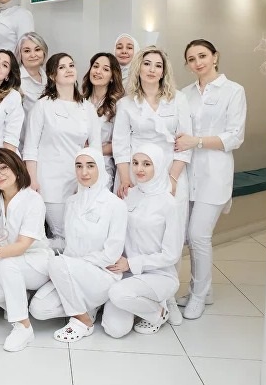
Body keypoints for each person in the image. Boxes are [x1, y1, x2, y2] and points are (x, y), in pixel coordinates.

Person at [112, 46, 191, 325]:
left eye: (158, 65)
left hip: (170, 172)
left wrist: (172, 179)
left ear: (164, 71)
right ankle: (138, 291)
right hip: (136, 172)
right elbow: (120, 145)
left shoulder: (178, 99)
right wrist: (125, 178)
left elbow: (184, 143)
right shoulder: (126, 104)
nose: (152, 69)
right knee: (133, 232)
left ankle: (168, 296)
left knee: (169, 235)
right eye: (147, 63)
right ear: (139, 67)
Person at [174, 40, 246, 319]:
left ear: (215, 56)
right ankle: (204, 290)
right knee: (188, 237)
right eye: (191, 59)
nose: (198, 63)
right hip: (187, 174)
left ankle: (198, 295)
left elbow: (235, 136)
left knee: (198, 235)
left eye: (202, 56)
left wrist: (198, 141)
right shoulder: (185, 94)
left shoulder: (233, 91)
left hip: (215, 174)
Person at [28, 148, 127, 342]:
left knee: (57, 263)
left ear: (100, 168)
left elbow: (112, 254)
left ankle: (83, 321)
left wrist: (73, 264)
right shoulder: (72, 202)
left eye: (90, 166)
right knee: (38, 309)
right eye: (79, 166)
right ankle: (88, 306)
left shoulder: (115, 205)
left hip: (102, 274)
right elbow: (69, 243)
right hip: (72, 272)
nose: (84, 172)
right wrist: (35, 243)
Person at [101, 144, 183, 338]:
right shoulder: (128, 195)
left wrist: (131, 263)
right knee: (115, 330)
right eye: (135, 163)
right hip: (127, 274)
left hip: (159, 275)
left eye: (146, 164)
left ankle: (158, 312)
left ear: (159, 166)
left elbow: (171, 255)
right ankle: (140, 303)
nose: (139, 169)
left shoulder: (169, 204)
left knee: (118, 294)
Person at [23, 53, 102, 247]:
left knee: (80, 234)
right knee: (62, 235)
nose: (68, 70)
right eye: (62, 67)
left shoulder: (87, 108)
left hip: (80, 180)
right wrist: (32, 180)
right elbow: (30, 147)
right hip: (50, 181)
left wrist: (91, 181)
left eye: (71, 65)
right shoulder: (42, 106)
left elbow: (95, 149)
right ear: (52, 75)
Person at [0, 148, 52, 352]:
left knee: (6, 263)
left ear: (16, 168)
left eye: (3, 168)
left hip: (36, 262)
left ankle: (23, 326)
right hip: (7, 262)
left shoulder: (32, 199)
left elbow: (23, 245)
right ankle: (20, 299)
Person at [81, 52, 125, 186]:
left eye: (105, 69)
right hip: (79, 162)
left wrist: (91, 149)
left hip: (103, 164)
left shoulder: (118, 105)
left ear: (112, 77)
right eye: (95, 66)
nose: (98, 71)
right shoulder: (80, 101)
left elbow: (120, 144)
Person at [15, 32, 48, 117]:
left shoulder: (50, 77)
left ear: (44, 52)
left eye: (37, 49)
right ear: (20, 54)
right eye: (27, 51)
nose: (33, 55)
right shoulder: (14, 80)